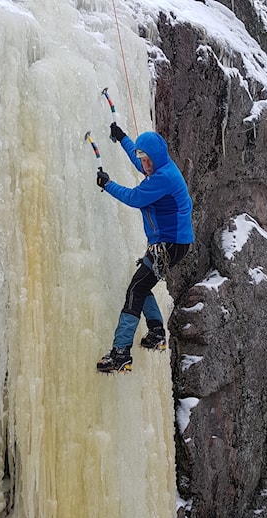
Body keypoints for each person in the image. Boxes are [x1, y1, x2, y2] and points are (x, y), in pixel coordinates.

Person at [96, 123, 194, 373]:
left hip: (169, 244)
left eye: (147, 159)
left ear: (156, 159)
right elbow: (139, 162)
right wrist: (123, 139)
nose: (144, 165)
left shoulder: (163, 178)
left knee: (136, 289)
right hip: (173, 243)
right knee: (142, 284)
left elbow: (134, 198)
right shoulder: (160, 167)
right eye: (143, 159)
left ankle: (120, 353)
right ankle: (156, 333)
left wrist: (106, 184)